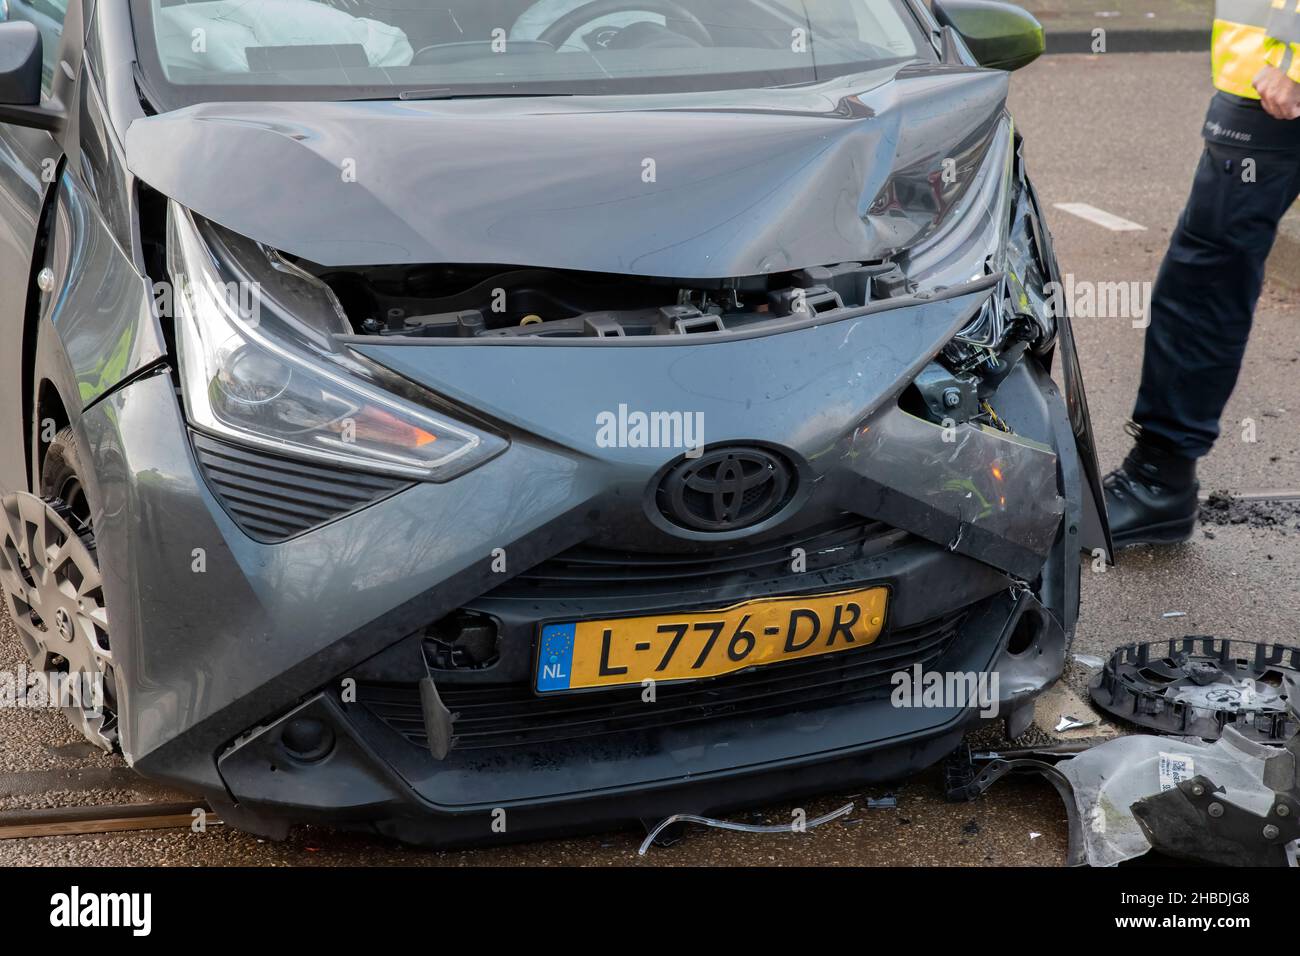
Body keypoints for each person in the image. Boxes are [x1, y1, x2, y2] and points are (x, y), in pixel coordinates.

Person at [1104, 0, 1300, 547]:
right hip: (1268, 82)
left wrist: (1293, 65)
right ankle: (1157, 479)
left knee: (1204, 284)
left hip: (1276, 89)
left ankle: (1157, 482)